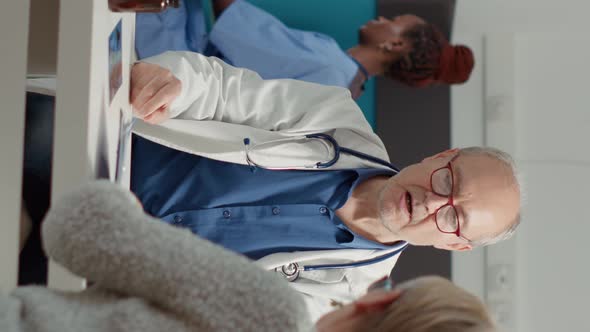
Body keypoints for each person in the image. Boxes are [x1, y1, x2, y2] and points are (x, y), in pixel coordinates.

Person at [128, 51, 521, 320]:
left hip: (111, 270)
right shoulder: (336, 120)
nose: (433, 202)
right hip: (112, 142)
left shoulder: (341, 302)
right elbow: (223, 90)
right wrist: (175, 85)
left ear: (453, 244)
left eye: (454, 217)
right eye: (449, 180)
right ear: (441, 155)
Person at [2, 181, 497, 332]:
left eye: (455, 217)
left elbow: (78, 228)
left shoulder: (273, 314)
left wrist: (121, 213)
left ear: (374, 304)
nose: (436, 204)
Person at [135, 0, 475, 99]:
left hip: (171, 61)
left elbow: (230, 16)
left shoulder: (329, 67)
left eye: (395, 20)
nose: (383, 17)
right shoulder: (344, 88)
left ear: (394, 44)